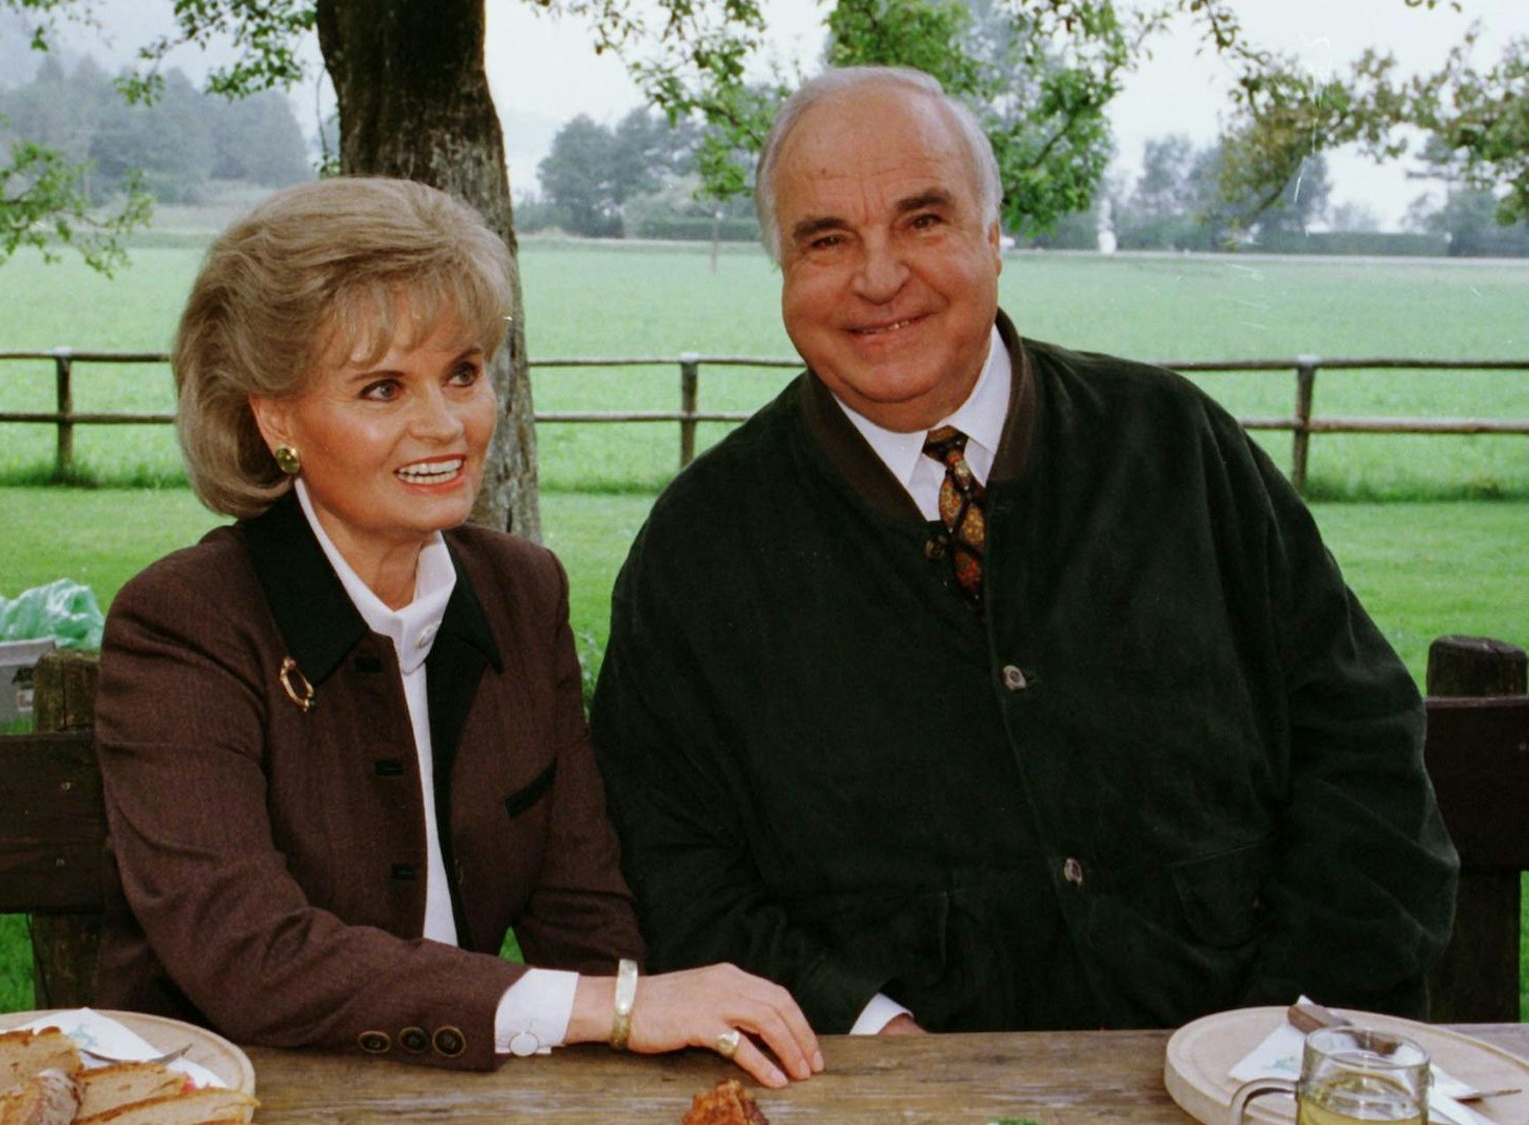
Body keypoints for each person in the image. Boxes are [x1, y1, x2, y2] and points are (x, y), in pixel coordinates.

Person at [589, 67, 1459, 1037]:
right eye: (825, 239)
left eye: (923, 221)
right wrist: (870, 1032)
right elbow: (664, 860)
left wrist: (1275, 1038)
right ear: (783, 274)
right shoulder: (702, 550)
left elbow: (1362, 756)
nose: (877, 278)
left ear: (992, 236)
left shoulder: (1176, 453)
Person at [93, 176, 821, 1086]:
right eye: (383, 387)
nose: (444, 424)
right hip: (231, 1101)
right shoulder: (186, 623)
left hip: (460, 1100)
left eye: (464, 373)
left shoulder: (521, 591)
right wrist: (618, 1008)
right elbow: (249, 953)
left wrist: (634, 1065)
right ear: (275, 417)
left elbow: (584, 912)